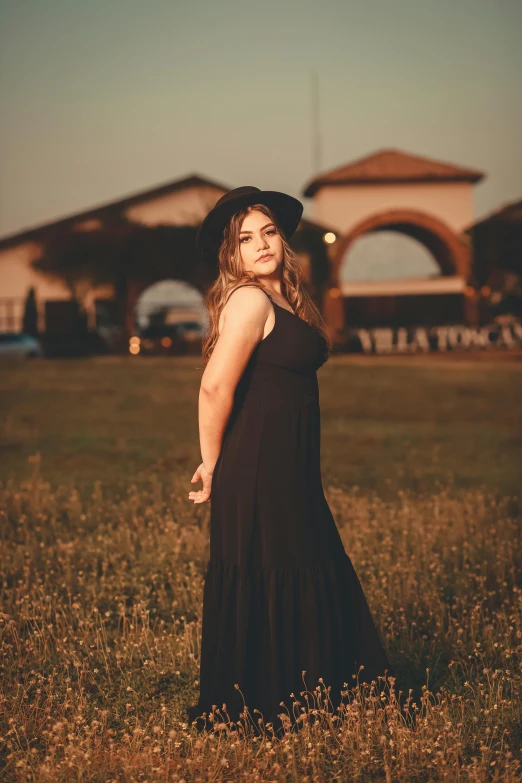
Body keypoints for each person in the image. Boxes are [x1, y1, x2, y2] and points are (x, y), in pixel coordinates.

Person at [186, 186, 393, 736]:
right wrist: (212, 464)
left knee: (307, 557)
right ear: (231, 254)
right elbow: (214, 388)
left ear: (282, 238)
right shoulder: (250, 301)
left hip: (291, 465)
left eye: (268, 232)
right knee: (280, 565)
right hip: (259, 467)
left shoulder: (285, 300)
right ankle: (270, 701)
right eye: (245, 239)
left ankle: (315, 692)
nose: (260, 245)